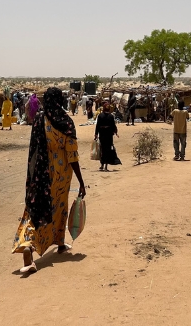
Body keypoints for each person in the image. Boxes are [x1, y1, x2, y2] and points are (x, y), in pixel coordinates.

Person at [13, 87, 85, 274]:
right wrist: (81, 181)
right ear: (60, 100)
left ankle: (30, 243)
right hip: (61, 176)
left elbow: (34, 149)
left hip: (41, 174)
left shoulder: (39, 118)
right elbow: (72, 155)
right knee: (59, 208)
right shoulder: (65, 122)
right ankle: (58, 243)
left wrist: (33, 175)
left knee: (37, 209)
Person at [95, 102, 120, 171]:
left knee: (102, 150)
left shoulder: (100, 116)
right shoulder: (111, 116)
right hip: (109, 136)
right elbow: (113, 126)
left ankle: (102, 165)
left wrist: (96, 134)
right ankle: (105, 166)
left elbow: (97, 126)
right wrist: (115, 132)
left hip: (102, 135)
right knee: (108, 150)